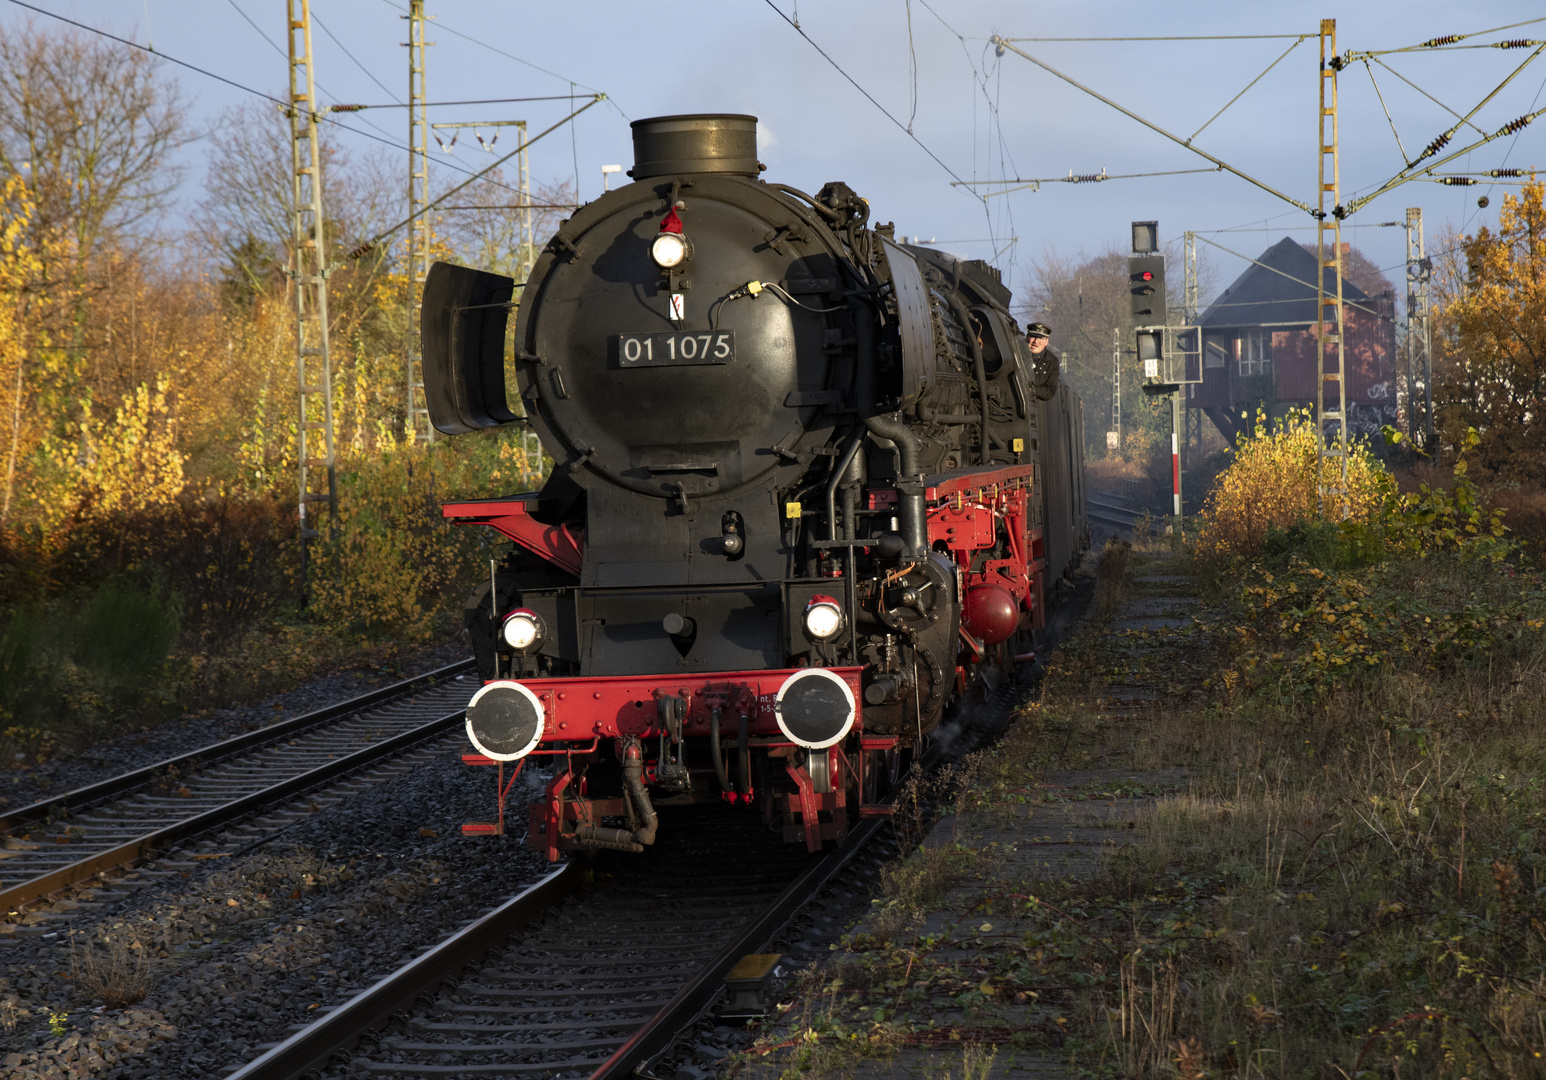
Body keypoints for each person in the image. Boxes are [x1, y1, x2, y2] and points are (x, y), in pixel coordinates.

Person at [1024, 321, 1060, 401]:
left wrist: (1032, 390)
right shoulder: (1016, 353)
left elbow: (1051, 390)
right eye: (1033, 336)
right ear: (1027, 337)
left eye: (1040, 338)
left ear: (1046, 341)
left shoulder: (1052, 362)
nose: (1036, 342)